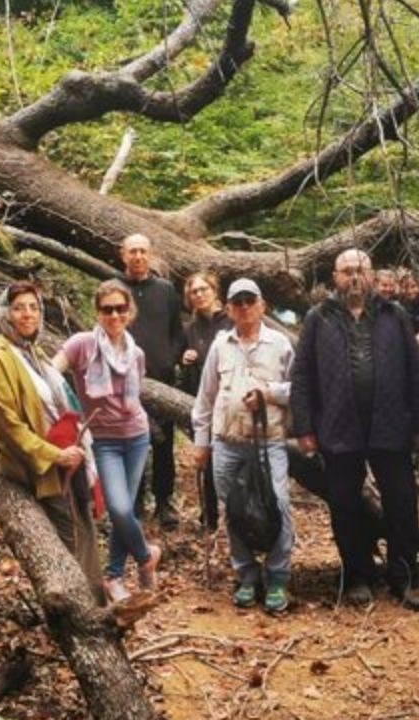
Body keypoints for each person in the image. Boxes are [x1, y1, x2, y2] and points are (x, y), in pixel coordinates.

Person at [290, 249, 419, 609]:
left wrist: (417, 422)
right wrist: (305, 427)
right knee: (345, 505)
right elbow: (302, 375)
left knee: (401, 503)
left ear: (372, 276)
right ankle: (357, 575)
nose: (354, 277)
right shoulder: (318, 318)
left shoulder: (393, 314)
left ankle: (404, 577)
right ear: (335, 277)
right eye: (347, 271)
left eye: (361, 270)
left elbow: (416, 370)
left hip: (390, 427)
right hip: (338, 429)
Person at [0, 281, 104, 603]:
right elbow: (9, 427)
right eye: (19, 308)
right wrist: (55, 455)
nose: (27, 315)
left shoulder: (30, 350)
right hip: (46, 465)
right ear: (5, 312)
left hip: (68, 453)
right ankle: (84, 612)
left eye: (33, 308)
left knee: (85, 528)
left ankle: (97, 600)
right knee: (71, 537)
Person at [53, 280, 161, 603]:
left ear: (130, 312)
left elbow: (134, 395)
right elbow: (49, 373)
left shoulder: (136, 353)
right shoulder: (81, 345)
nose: (114, 315)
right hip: (102, 441)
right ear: (97, 312)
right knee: (118, 507)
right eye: (107, 309)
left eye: (120, 308)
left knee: (123, 509)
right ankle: (146, 555)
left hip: (137, 436)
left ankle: (113, 577)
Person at [192, 279, 295, 613]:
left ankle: (278, 578)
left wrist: (269, 394)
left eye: (250, 301)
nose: (245, 308)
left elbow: (299, 390)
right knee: (233, 510)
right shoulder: (221, 345)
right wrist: (201, 442)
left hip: (269, 443)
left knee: (277, 505)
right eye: (238, 303)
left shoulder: (280, 344)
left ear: (262, 306)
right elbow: (205, 397)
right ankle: (247, 575)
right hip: (227, 442)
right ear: (229, 309)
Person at [118, 234, 187, 529]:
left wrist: (170, 359)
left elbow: (177, 331)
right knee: (129, 441)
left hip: (162, 378)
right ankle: (132, 501)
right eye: (132, 251)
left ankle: (163, 501)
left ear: (151, 255)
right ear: (123, 255)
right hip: (123, 379)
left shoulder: (166, 289)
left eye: (143, 251)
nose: (138, 256)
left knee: (163, 444)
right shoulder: (115, 289)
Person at [180, 271, 233, 531]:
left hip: (231, 400)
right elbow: (182, 360)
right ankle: (210, 516)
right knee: (207, 459)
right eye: (194, 292)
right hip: (200, 399)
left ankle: (239, 515)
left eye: (204, 289)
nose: (199, 295)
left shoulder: (230, 320)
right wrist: (185, 358)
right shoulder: (189, 329)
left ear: (215, 291)